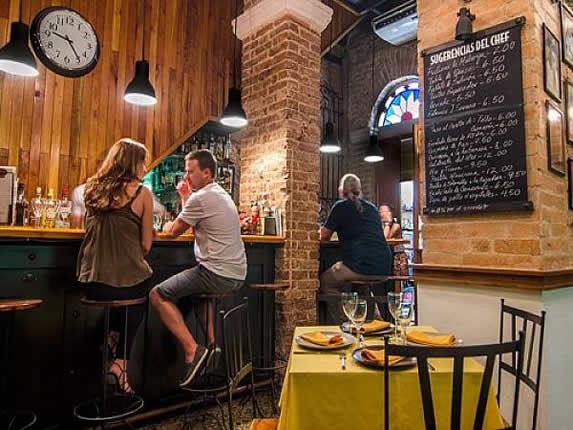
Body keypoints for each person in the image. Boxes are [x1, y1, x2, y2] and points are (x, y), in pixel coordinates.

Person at [149, 149, 246, 387]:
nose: (186, 175)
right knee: (197, 295)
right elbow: (194, 222)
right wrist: (186, 197)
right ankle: (212, 347)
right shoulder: (217, 194)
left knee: (157, 294)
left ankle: (193, 351)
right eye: (186, 170)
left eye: (190, 171)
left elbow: (172, 232)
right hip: (235, 273)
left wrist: (165, 222)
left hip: (217, 273)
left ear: (206, 172)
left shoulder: (201, 198)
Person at [76, 138, 154, 393]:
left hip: (90, 282)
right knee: (146, 288)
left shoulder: (91, 189)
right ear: (133, 163)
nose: (145, 167)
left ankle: (109, 338)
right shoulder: (142, 193)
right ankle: (120, 363)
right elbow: (146, 245)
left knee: (126, 285)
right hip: (123, 286)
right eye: (142, 161)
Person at [319, 174, 392, 323]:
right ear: (360, 190)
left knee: (326, 281)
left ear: (341, 190)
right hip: (384, 266)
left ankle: (344, 321)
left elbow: (324, 236)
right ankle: (370, 321)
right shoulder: (371, 208)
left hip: (359, 266)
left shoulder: (340, 206)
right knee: (361, 283)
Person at [71, 182, 167, 228]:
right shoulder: (139, 192)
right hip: (126, 260)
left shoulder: (82, 190)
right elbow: (145, 245)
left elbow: (75, 225)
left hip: (91, 258)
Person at [379, 203, 409, 277]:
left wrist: (387, 224)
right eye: (380, 211)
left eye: (383, 211)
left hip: (396, 256)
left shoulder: (396, 225)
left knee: (396, 279)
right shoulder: (380, 226)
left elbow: (385, 238)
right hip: (385, 255)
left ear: (390, 213)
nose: (381, 214)